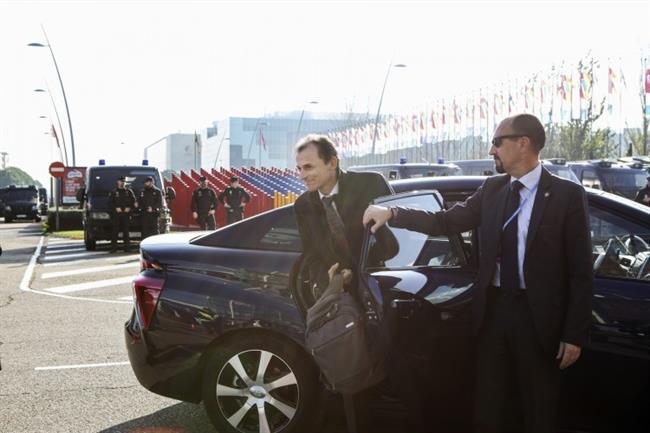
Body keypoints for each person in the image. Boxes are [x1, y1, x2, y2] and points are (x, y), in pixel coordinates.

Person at [363, 113, 594, 433]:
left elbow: (581, 271)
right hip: (494, 312)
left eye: (497, 142)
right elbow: (445, 222)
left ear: (523, 143)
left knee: (539, 408)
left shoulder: (566, 195)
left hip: (539, 318)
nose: (491, 150)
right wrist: (393, 213)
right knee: (489, 407)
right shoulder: (492, 189)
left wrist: (574, 334)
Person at [294, 134, 422, 433]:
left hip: (388, 292)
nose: (303, 175)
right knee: (353, 381)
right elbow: (310, 253)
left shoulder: (370, 184)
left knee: (402, 375)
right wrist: (329, 273)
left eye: (309, 167)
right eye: (299, 168)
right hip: (346, 304)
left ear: (333, 163)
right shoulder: (303, 204)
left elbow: (403, 235)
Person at [109, 176, 136, 252]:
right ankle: (113, 248)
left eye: (123, 181)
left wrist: (130, 208)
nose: (122, 183)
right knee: (115, 231)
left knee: (126, 231)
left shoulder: (129, 191)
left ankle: (127, 248)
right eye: (121, 181)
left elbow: (134, 202)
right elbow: (110, 203)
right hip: (116, 215)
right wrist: (115, 208)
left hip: (126, 215)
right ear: (118, 182)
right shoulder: (113, 192)